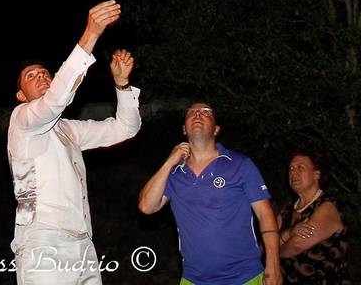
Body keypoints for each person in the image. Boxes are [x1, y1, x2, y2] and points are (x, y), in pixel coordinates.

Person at [8, 0, 140, 285]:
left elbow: (125, 128)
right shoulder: (22, 119)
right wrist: (91, 33)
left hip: (83, 243)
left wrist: (122, 85)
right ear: (20, 95)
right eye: (30, 76)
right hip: (44, 241)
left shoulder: (68, 129)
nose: (40, 76)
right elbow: (56, 100)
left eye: (44, 72)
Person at [139, 103, 281, 285]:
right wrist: (169, 163)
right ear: (184, 129)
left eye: (206, 112)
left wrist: (273, 264)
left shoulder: (240, 164)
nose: (198, 114)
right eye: (191, 112)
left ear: (216, 129)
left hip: (245, 277)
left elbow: (265, 213)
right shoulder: (174, 175)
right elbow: (146, 206)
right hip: (194, 279)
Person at [277, 149, 349, 283]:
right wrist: (289, 233)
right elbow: (264, 242)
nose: (293, 172)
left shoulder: (328, 205)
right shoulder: (286, 210)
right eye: (291, 169)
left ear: (316, 174)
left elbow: (297, 244)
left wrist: (273, 252)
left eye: (300, 168)